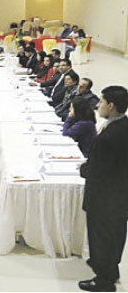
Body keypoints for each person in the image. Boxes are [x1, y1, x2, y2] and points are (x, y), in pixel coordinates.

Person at [79, 86, 128, 292]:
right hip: (119, 194)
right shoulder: (122, 125)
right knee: (114, 235)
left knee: (102, 236)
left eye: (100, 102)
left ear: (111, 105)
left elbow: (97, 170)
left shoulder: (109, 137)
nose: (97, 105)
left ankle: (104, 280)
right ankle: (109, 267)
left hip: (104, 197)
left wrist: (83, 168)